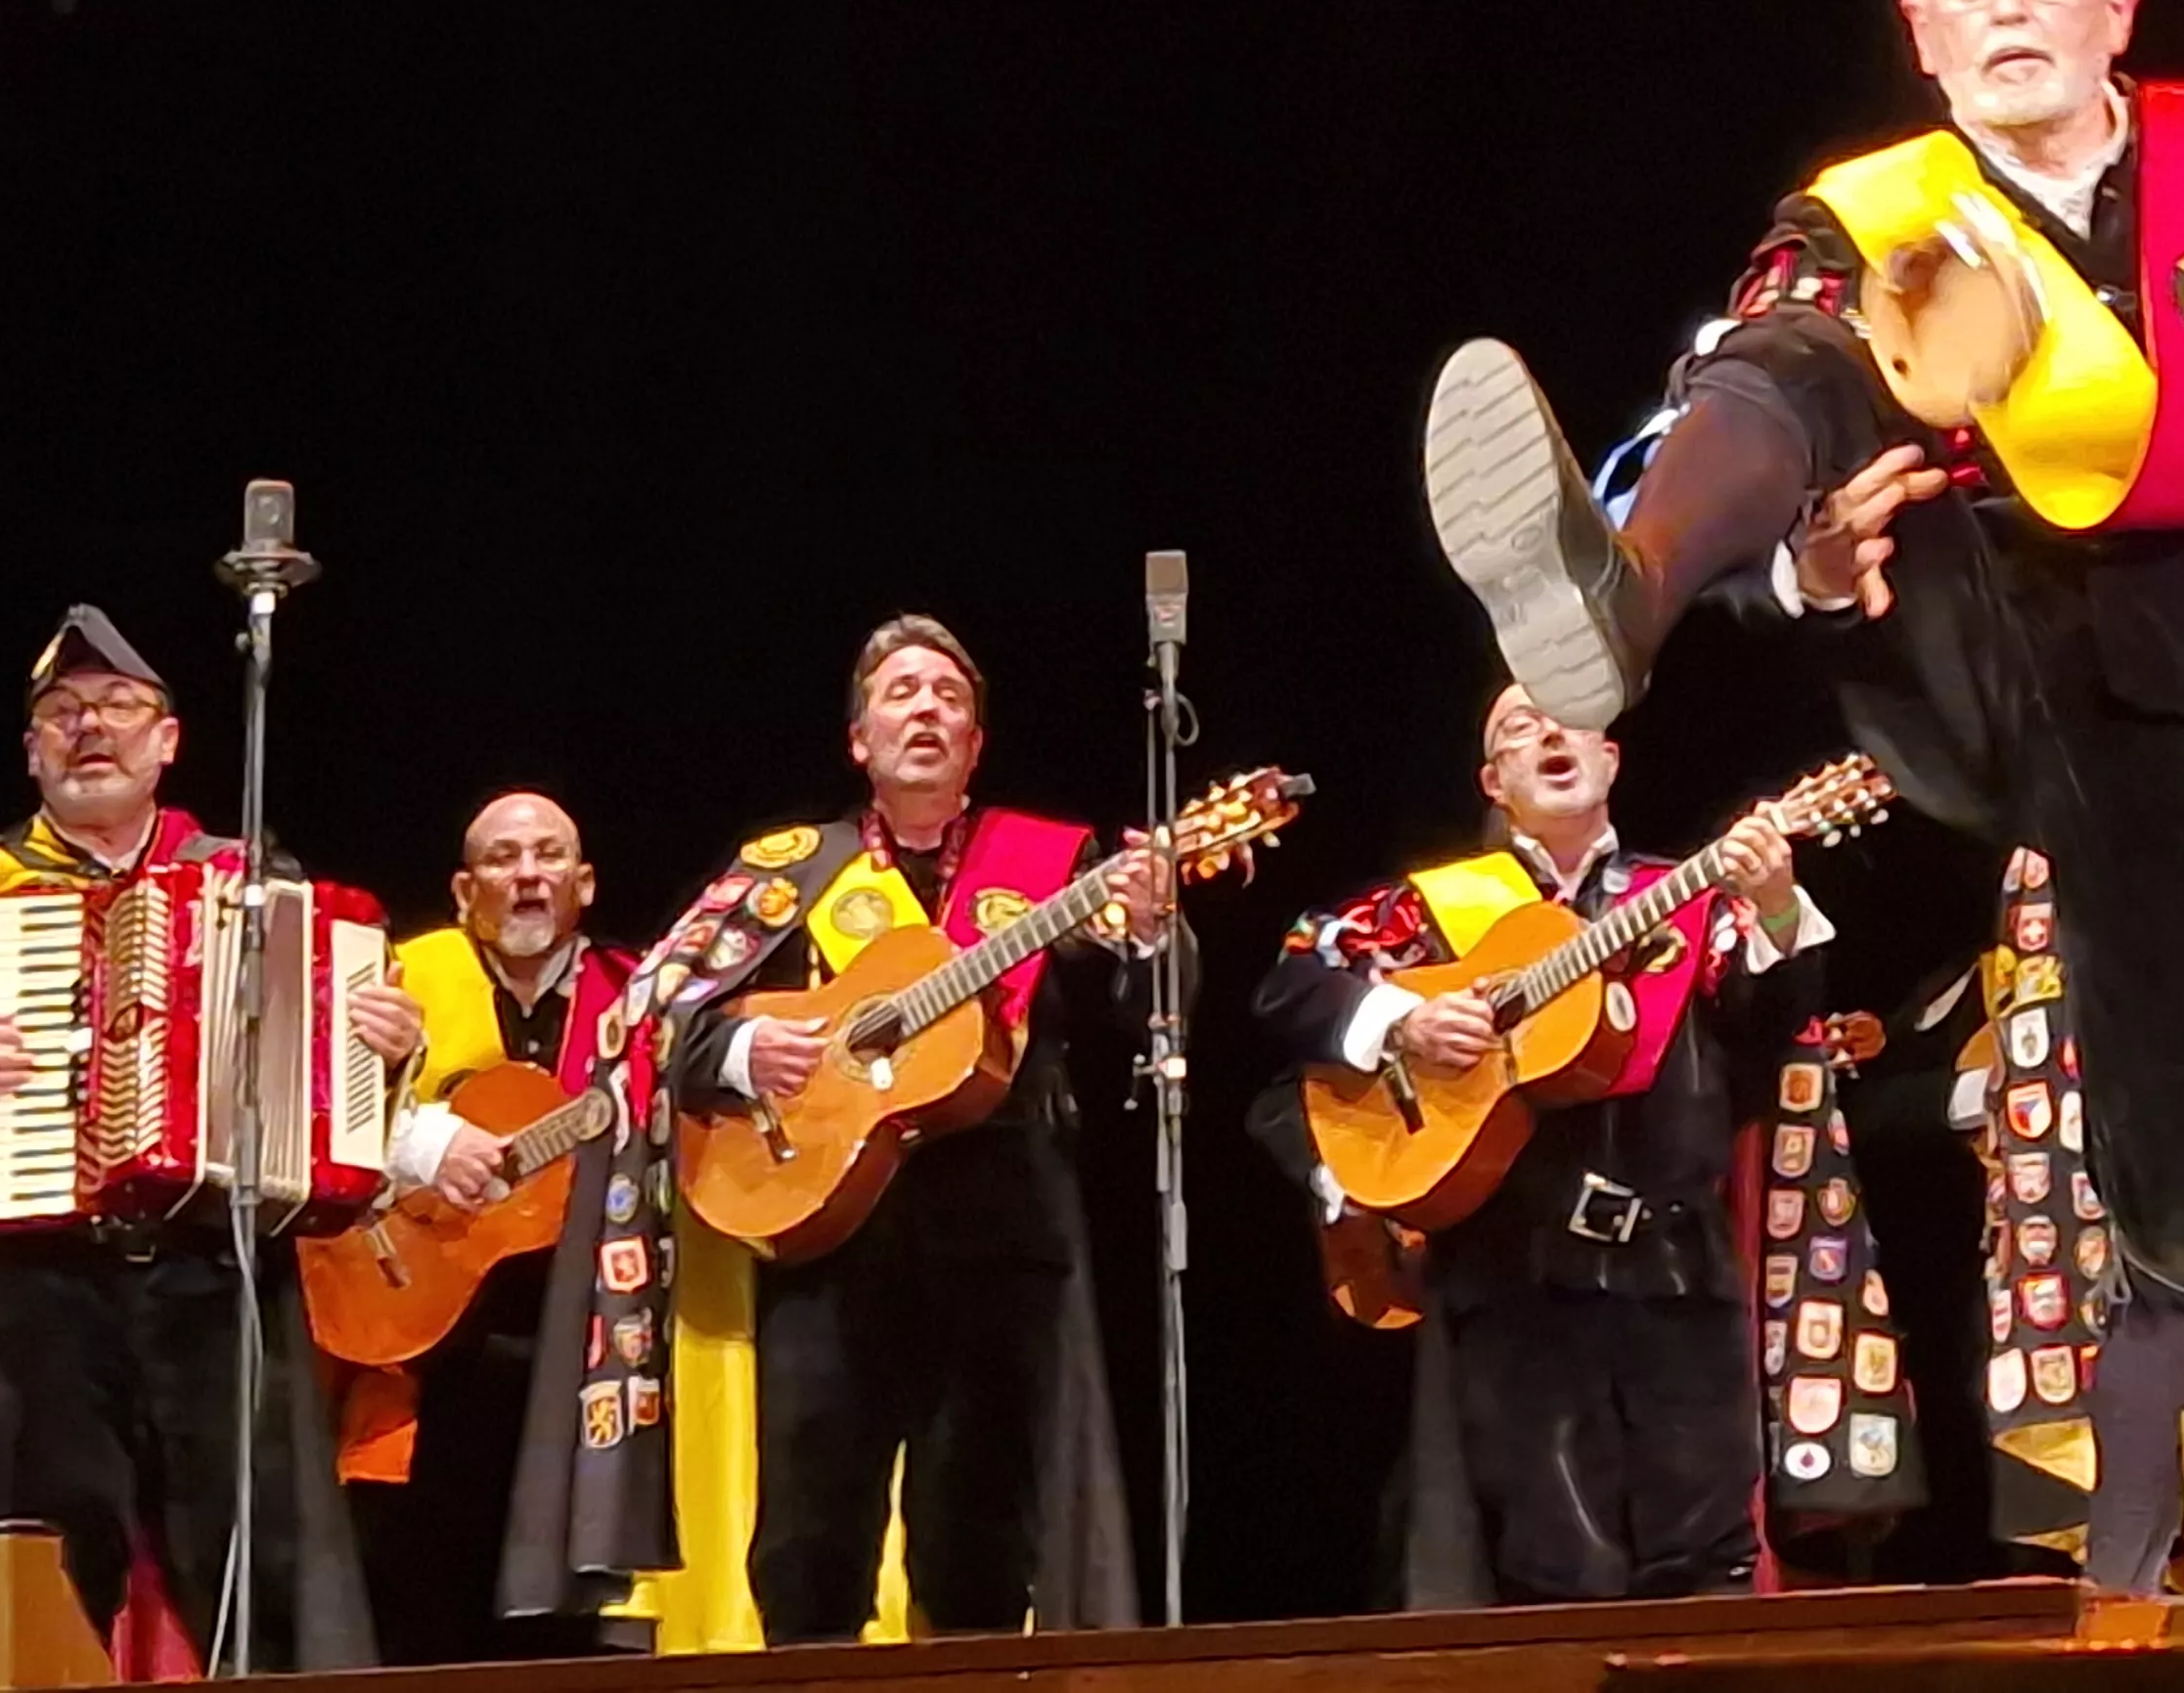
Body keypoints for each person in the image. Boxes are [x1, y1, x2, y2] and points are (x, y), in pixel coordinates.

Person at [1420, 0, 2184, 1588]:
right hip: (1942, 613)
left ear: (2118, 7)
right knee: (1789, 362)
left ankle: (2125, 1594)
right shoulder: (1870, 207)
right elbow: (1776, 398)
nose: (2011, 3)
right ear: (1923, 35)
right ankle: (1613, 598)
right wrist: (1784, 577)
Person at [0, 606, 385, 1676]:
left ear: (168, 740)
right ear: (32, 747)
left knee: (257, 1552)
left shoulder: (250, 870)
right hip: (39, 1276)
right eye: (63, 712)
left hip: (213, 1267)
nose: (93, 729)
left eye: (119, 709)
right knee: (48, 1546)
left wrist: (379, 1040)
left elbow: (331, 1057)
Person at [1257, 685, 1882, 1600]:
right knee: (1559, 1575)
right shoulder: (1433, 908)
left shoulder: (1689, 897)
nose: (1549, 732)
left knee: (1708, 1564)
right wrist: (1404, 1022)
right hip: (1516, 1275)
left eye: (1569, 716)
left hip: (1676, 1268)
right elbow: (1291, 986)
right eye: (1519, 727)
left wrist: (1779, 907)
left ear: (1611, 759)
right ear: (1493, 780)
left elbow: (1771, 1036)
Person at [638, 616, 1161, 1644]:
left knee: (978, 1540)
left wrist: (1151, 930)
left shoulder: (1057, 860)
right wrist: (747, 1056)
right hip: (832, 1238)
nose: (925, 708)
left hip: (1000, 1235)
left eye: (948, 697)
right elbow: (659, 1015)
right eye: (900, 693)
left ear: (974, 741)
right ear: (858, 740)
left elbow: (1141, 1013)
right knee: (807, 1538)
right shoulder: (788, 869)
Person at [335, 790, 644, 1662]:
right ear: (465, 890)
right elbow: (314, 1111)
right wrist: (419, 1145)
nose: (528, 876)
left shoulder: (644, 997)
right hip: (425, 1348)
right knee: (424, 1617)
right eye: (504, 860)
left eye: (548, 856)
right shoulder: (397, 978)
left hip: (591, 1353)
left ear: (584, 883)